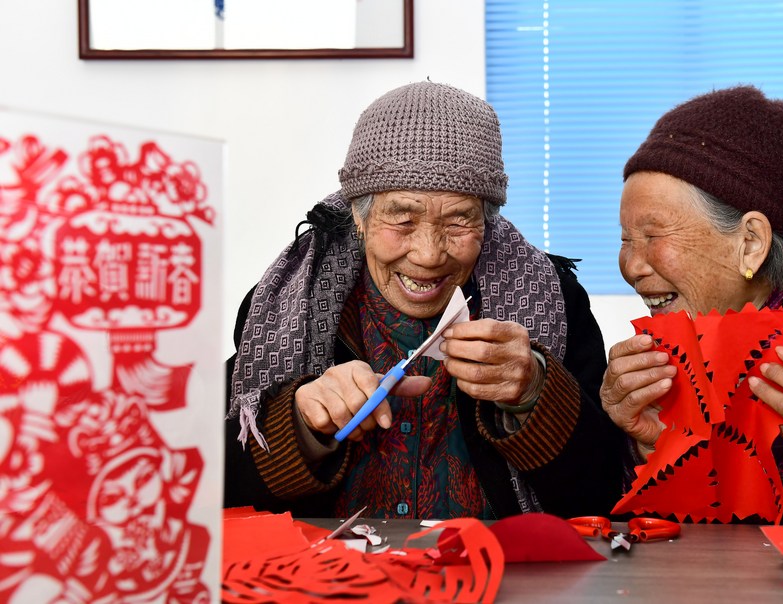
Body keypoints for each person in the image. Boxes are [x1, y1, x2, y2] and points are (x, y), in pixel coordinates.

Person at [224, 81, 623, 520]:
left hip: (502, 577)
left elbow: (603, 494)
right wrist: (302, 422)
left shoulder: (554, 301)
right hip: (333, 581)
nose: (429, 255)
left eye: (459, 220)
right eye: (402, 217)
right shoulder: (285, 308)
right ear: (358, 216)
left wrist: (534, 392)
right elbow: (213, 485)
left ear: (487, 223)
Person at [601, 85, 783, 525]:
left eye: (653, 236)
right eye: (626, 239)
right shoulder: (668, 339)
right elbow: (637, 526)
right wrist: (648, 446)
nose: (630, 265)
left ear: (750, 243)